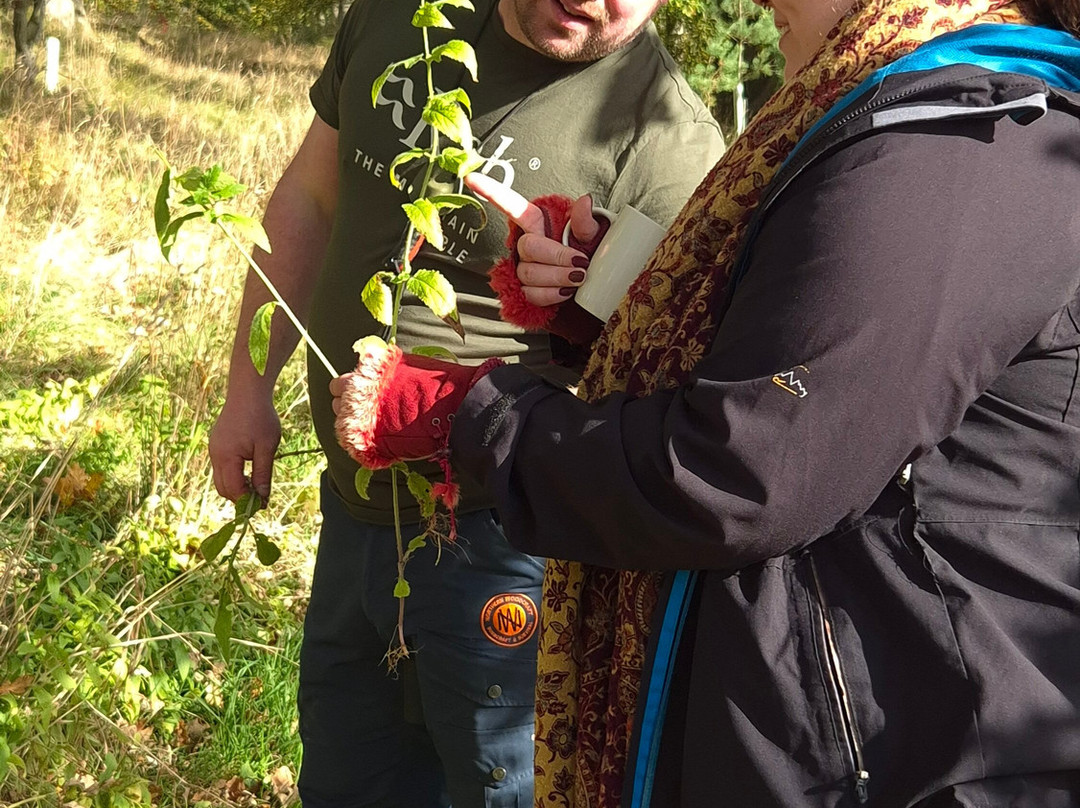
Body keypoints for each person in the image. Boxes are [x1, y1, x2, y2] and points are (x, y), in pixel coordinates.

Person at [332, 0, 1080, 805]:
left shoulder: (956, 146)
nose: (762, 3)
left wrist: (466, 415)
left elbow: (741, 469)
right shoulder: (922, 111)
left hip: (894, 752)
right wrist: (613, 295)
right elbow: (806, 365)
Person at [208, 0, 724, 805]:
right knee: (349, 780)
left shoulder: (668, 143)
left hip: (502, 547)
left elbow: (666, 412)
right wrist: (249, 389)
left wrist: (578, 300)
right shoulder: (402, 18)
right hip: (351, 511)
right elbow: (311, 196)